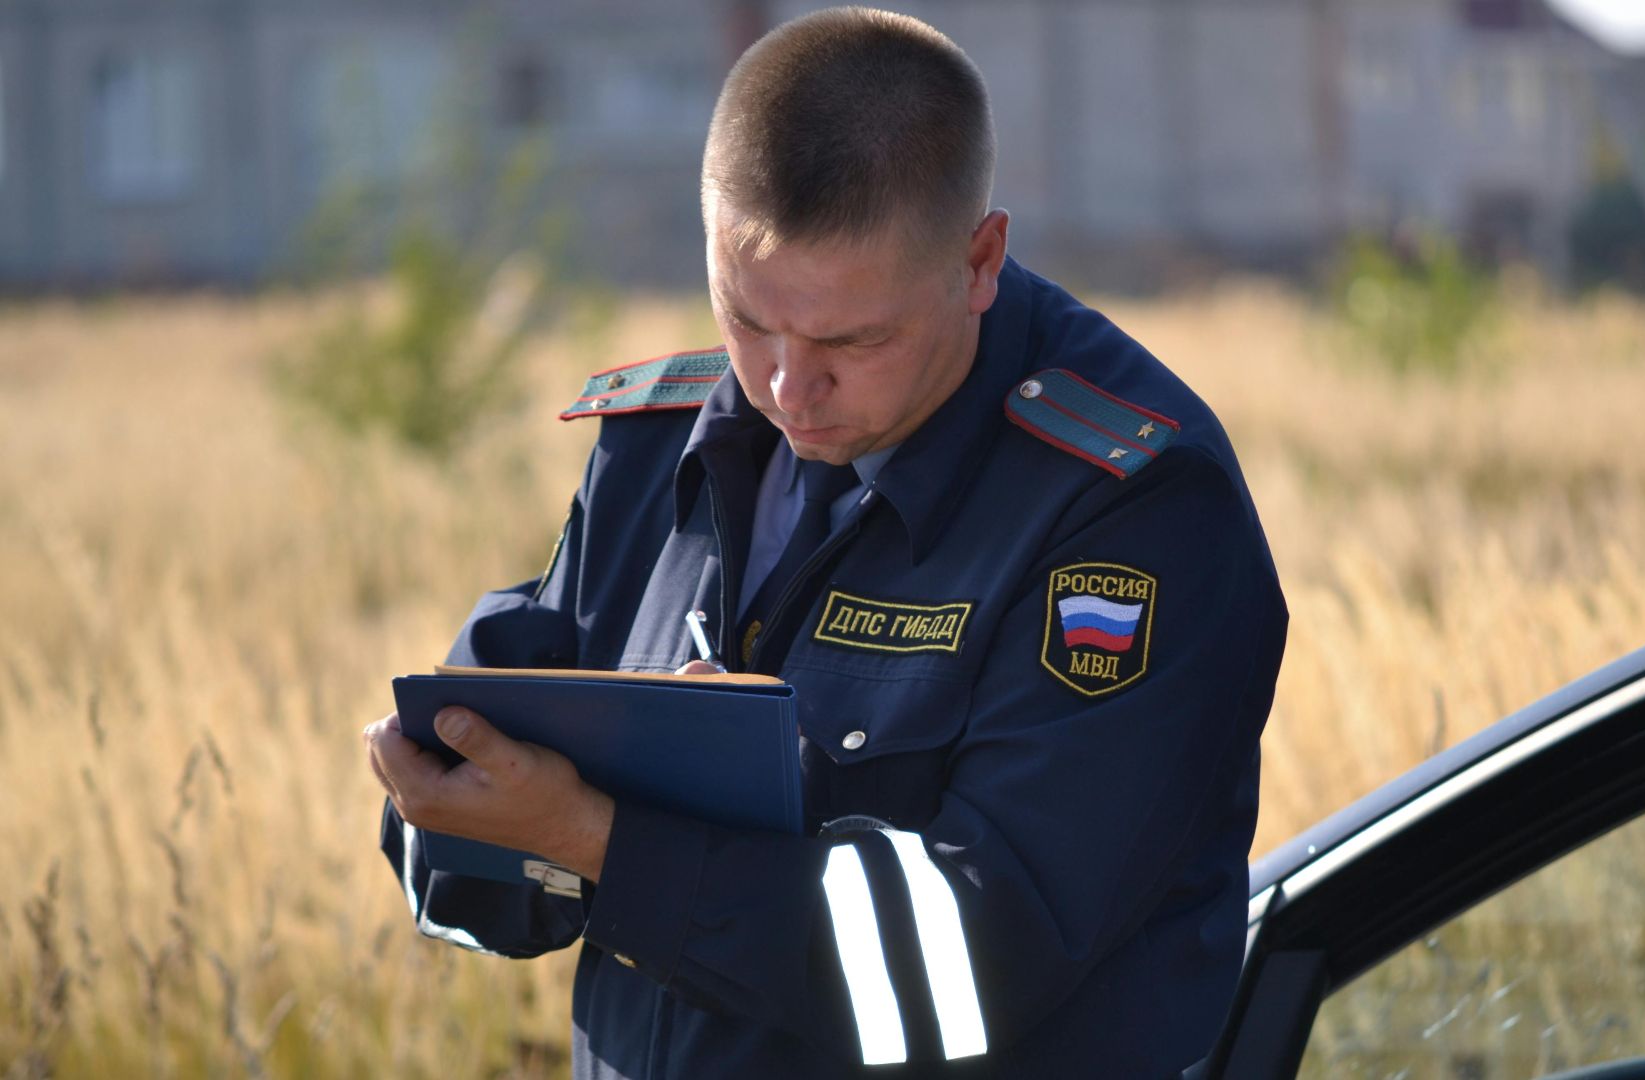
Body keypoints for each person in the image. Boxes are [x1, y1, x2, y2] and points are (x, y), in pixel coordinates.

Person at [362, 7, 1287, 1077]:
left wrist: (598, 839)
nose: (790, 389)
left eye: (856, 338)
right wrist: (449, 794)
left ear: (980, 258)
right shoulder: (662, 444)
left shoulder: (1131, 509)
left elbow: (973, 968)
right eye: (748, 319)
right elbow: (492, 906)